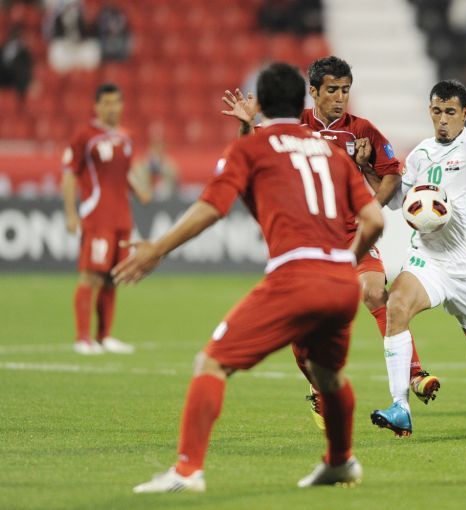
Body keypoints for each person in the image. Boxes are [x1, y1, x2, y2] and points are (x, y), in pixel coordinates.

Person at [115, 62, 384, 492]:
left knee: (211, 363)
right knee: (328, 376)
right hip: (340, 281)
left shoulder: (252, 148)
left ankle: (187, 471)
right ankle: (340, 461)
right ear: (303, 101)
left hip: (296, 276)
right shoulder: (331, 153)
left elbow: (213, 206)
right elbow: (374, 220)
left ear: (261, 102)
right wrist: (345, 259)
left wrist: (157, 249)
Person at [221, 56, 440, 431]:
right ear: (314, 91)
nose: (340, 97)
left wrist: (370, 207)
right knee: (302, 327)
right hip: (309, 239)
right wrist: (245, 125)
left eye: (345, 90)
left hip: (352, 235)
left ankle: (415, 373)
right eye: (333, 90)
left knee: (375, 292)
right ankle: (317, 389)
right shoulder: (294, 126)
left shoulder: (361, 130)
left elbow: (391, 175)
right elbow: (249, 155)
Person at [366, 79, 466, 436]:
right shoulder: (419, 154)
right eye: (437, 111)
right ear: (430, 112)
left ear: (465, 113)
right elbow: (396, 200)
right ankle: (400, 406)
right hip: (429, 261)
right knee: (396, 306)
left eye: (451, 112)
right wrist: (368, 169)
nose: (443, 119)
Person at [61, 83, 151, 355]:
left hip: (122, 218)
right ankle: (82, 338)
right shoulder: (85, 136)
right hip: (97, 216)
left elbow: (125, 173)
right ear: (97, 106)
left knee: (113, 277)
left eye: (116, 102)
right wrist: (71, 213)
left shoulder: (126, 137)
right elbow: (69, 174)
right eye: (107, 103)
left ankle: (104, 336)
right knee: (91, 276)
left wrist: (139, 190)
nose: (112, 108)